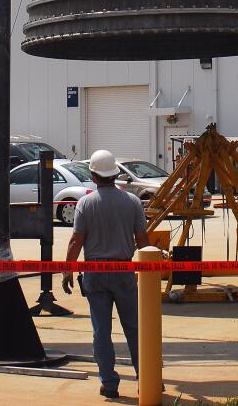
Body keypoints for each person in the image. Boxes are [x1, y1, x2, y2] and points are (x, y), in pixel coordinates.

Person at [62, 149, 150, 399]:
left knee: (101, 331)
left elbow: (76, 241)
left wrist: (68, 270)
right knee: (134, 328)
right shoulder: (132, 201)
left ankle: (109, 384)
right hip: (124, 271)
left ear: (93, 175)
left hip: (95, 273)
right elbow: (143, 241)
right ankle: (146, 378)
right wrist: (150, 270)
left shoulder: (85, 203)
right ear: (115, 173)